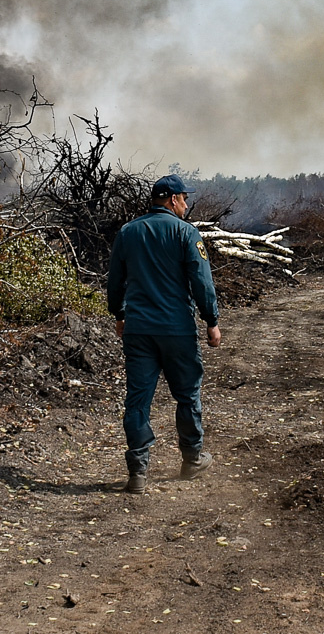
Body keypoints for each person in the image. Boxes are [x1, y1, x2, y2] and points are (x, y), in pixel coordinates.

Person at [106, 173, 221, 494]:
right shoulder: (186, 234)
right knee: (187, 395)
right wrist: (211, 320)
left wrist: (119, 314)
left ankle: (138, 472)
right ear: (172, 200)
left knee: (138, 401)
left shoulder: (128, 233)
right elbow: (201, 282)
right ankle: (192, 459)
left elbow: (115, 281)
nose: (186, 204)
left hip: (139, 330)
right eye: (184, 198)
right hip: (177, 331)